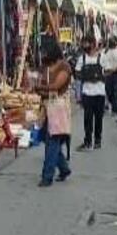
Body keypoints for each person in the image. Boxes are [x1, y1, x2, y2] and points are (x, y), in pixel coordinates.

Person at [34, 42, 73, 187]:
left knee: (53, 141)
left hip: (58, 107)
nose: (42, 55)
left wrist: (40, 87)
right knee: (47, 138)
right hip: (46, 105)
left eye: (44, 52)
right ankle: (63, 168)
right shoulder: (46, 67)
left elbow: (57, 86)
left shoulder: (64, 67)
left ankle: (47, 175)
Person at [75, 35, 106, 150]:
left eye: (86, 43)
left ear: (93, 44)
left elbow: (107, 71)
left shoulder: (102, 57)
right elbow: (77, 74)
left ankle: (98, 140)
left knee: (98, 118)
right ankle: (88, 141)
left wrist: (99, 77)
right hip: (87, 93)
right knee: (87, 119)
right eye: (84, 43)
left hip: (100, 93)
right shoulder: (81, 59)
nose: (84, 46)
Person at [101, 36, 117, 115]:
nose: (112, 43)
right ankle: (113, 103)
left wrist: (115, 69)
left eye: (113, 41)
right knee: (109, 91)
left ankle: (115, 109)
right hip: (107, 74)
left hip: (116, 73)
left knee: (116, 91)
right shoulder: (105, 52)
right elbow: (102, 63)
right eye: (110, 41)